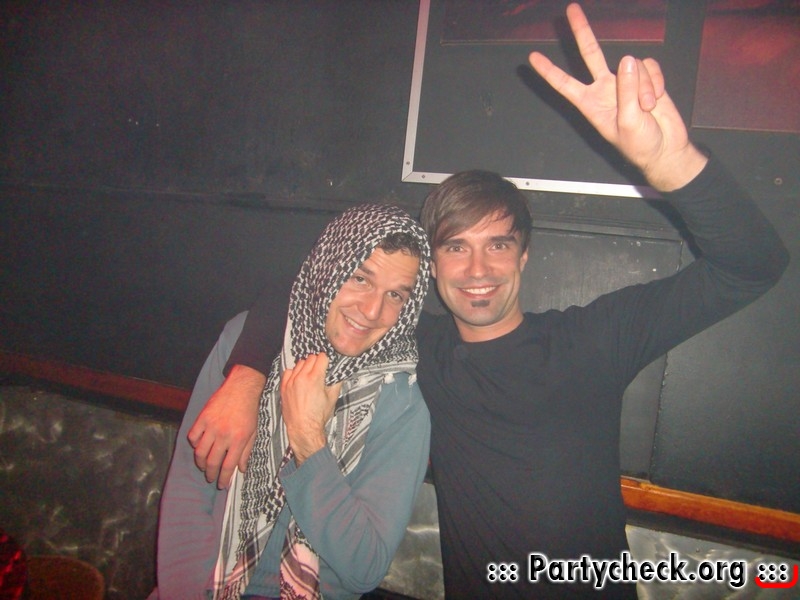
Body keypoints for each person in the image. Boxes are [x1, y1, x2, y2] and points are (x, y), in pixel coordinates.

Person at [186, 4, 789, 598]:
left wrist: (672, 163)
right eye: (456, 247)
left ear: (523, 256)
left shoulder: (593, 339)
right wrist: (245, 376)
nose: (478, 270)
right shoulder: (416, 347)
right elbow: (311, 288)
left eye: (498, 245)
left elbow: (752, 266)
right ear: (432, 265)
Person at [151, 204, 432, 600]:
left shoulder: (401, 403)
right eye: (359, 278)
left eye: (395, 295)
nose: (372, 310)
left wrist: (308, 439)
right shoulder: (246, 346)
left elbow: (364, 567)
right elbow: (190, 490)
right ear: (328, 269)